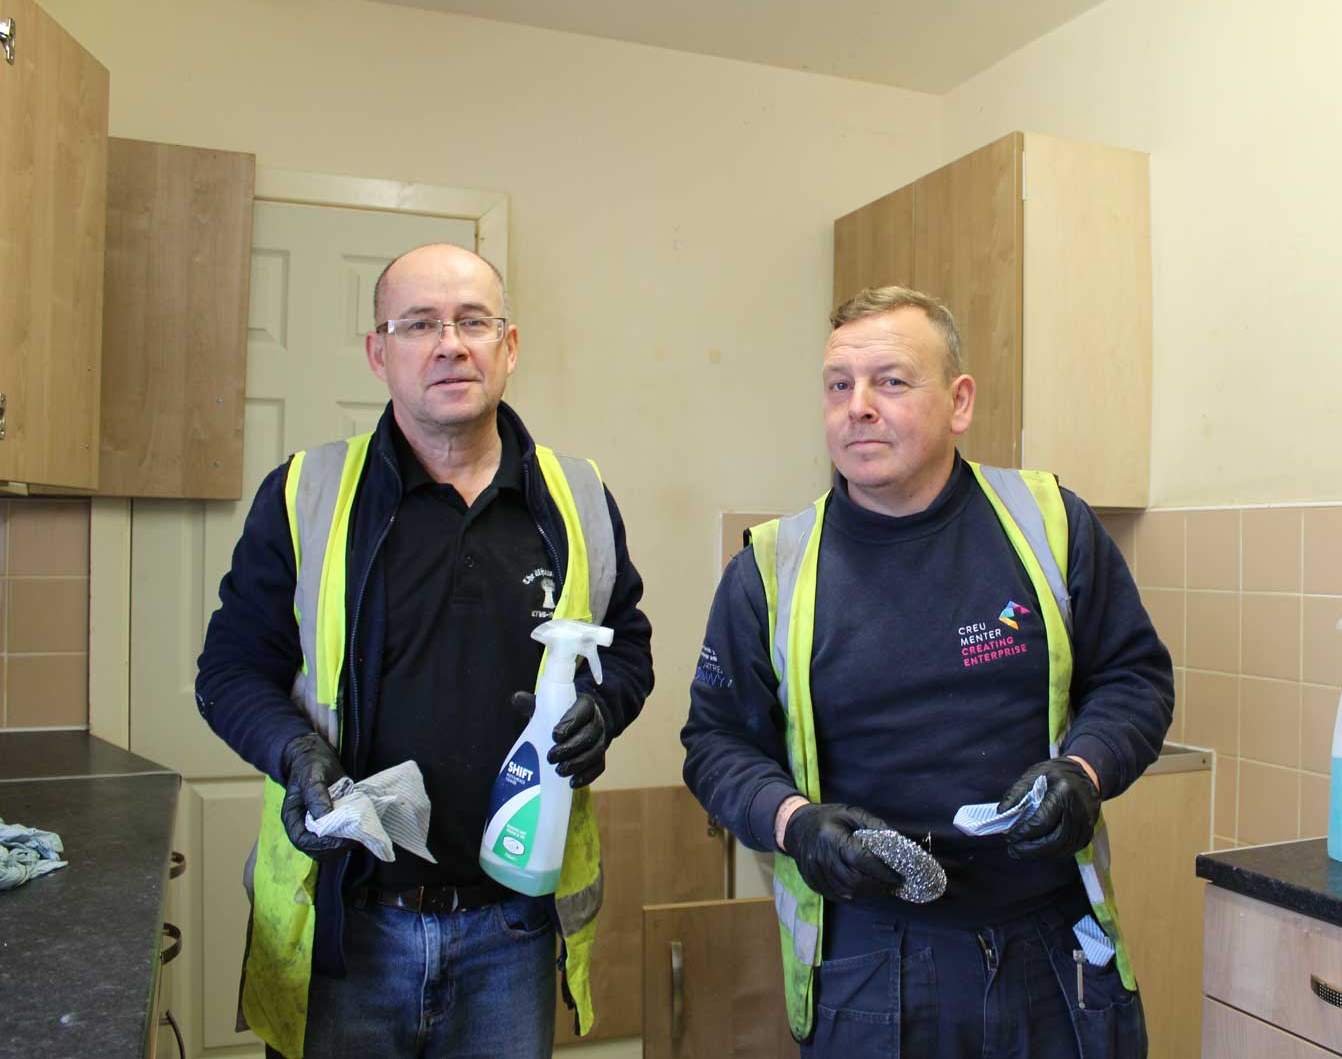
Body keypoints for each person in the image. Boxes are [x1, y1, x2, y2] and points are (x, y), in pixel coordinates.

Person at [681, 286, 1172, 1058]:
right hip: (871, 958)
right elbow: (715, 745)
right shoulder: (772, 570)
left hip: (1053, 944)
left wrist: (1084, 771)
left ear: (960, 401)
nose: (858, 406)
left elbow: (1133, 679)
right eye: (839, 385)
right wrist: (795, 824)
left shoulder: (1050, 524)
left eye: (891, 381)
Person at [197, 243, 653, 1059]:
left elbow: (627, 648)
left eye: (473, 321)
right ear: (381, 353)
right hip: (350, 930)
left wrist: (605, 707)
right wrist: (294, 750)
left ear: (507, 347)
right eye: (419, 325)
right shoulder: (306, 494)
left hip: (510, 928)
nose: (451, 343)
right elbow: (230, 671)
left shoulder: (577, 497)